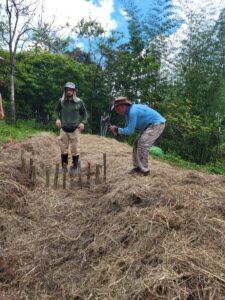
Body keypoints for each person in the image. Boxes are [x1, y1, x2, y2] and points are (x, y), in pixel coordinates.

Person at [110, 96, 166, 176]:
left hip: (157, 124)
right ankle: (137, 167)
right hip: (149, 126)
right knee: (137, 143)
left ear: (123, 106)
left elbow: (129, 132)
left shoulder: (132, 111)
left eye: (117, 109)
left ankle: (144, 171)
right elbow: (128, 128)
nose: (117, 111)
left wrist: (117, 129)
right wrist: (118, 130)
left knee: (142, 144)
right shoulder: (127, 113)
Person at [55, 82, 87, 174]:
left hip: (75, 129)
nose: (69, 91)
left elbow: (85, 113)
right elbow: (56, 111)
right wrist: (57, 119)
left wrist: (83, 122)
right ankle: (64, 167)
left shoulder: (79, 102)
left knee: (75, 149)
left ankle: (75, 167)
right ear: (65, 90)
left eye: (71, 90)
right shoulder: (61, 101)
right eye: (67, 89)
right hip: (63, 128)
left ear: (74, 91)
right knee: (63, 148)